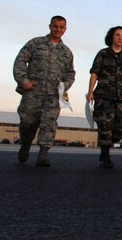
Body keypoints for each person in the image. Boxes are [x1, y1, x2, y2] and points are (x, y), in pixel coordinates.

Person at [13, 15, 76, 166]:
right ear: (50, 26)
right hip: (33, 90)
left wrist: (65, 85)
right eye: (55, 26)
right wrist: (23, 81)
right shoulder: (35, 43)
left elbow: (70, 73)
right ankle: (26, 142)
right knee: (27, 121)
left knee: (49, 122)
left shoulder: (66, 52)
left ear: (65, 29)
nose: (58, 30)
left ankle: (43, 154)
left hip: (53, 94)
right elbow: (20, 60)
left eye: (61, 27)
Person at [86, 26, 122, 168]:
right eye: (117, 35)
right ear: (111, 37)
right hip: (104, 95)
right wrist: (90, 92)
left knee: (121, 125)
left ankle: (110, 143)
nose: (120, 38)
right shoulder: (103, 54)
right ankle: (105, 153)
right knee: (105, 125)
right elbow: (94, 73)